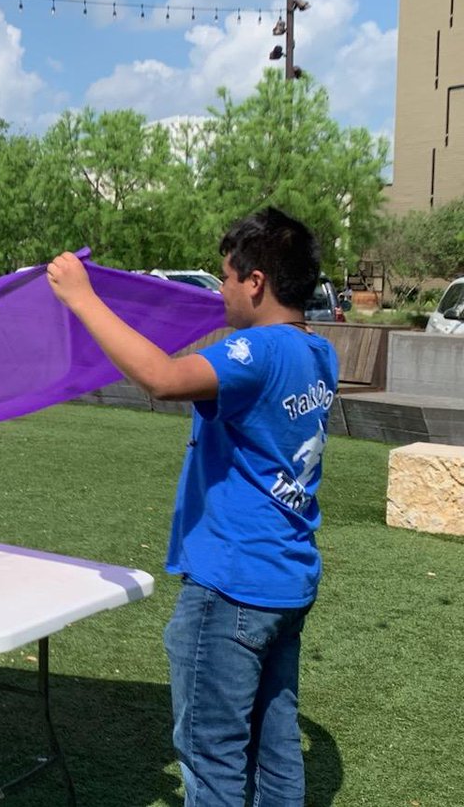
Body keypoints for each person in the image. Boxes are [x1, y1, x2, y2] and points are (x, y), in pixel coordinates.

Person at [46, 207, 338, 806]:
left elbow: (163, 378)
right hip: (285, 580)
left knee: (213, 757)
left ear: (255, 282)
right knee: (275, 744)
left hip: (231, 586)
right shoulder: (318, 352)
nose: (221, 290)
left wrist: (82, 297)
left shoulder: (258, 352)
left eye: (226, 278)